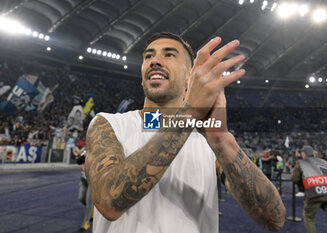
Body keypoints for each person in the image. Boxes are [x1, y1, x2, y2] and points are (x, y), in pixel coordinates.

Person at [85, 32, 285, 233]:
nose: (155, 61)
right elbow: (108, 202)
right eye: (148, 56)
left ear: (191, 75)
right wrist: (189, 113)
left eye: (169, 55)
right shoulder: (108, 124)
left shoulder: (209, 142)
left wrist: (222, 141)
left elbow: (274, 219)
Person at [291, 145, 327, 233]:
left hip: (314, 194)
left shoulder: (301, 162)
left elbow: (294, 178)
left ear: (303, 154)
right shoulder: (325, 162)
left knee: (309, 217)